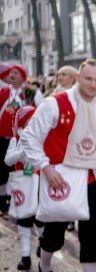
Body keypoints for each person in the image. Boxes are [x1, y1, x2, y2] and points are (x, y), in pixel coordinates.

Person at [20, 59, 96, 272]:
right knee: (53, 236)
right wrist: (46, 167)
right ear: (78, 76)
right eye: (88, 79)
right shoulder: (55, 103)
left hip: (90, 178)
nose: (93, 84)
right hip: (60, 178)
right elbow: (30, 137)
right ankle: (45, 266)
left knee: (93, 237)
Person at [0, 64, 43, 214]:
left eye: (16, 73)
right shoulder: (4, 91)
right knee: (3, 169)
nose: (12, 75)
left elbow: (40, 110)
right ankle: (3, 201)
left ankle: (21, 201)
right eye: (11, 72)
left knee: (20, 169)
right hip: (3, 136)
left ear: (23, 76)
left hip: (22, 137)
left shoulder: (30, 92)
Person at [4, 106, 38, 270]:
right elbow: (8, 161)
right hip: (22, 181)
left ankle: (43, 244)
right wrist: (21, 152)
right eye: (29, 121)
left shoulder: (42, 137)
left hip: (39, 181)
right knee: (24, 219)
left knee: (40, 216)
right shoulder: (15, 139)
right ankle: (25, 255)